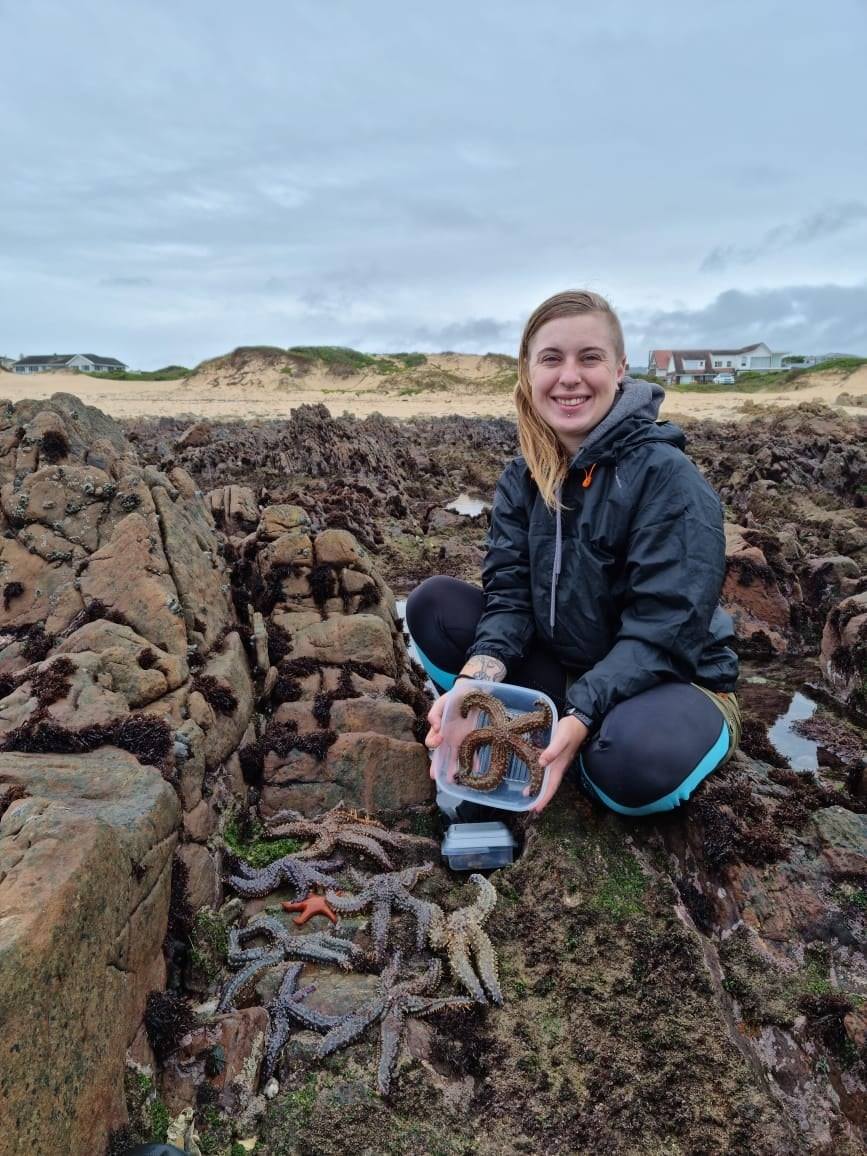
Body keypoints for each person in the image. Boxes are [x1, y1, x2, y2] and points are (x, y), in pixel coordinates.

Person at [406, 290, 741, 817]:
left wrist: (583, 713)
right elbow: (510, 601)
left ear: (620, 368)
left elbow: (665, 630)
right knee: (432, 607)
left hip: (672, 677)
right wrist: (475, 684)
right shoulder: (524, 476)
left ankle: (579, 746)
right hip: (567, 667)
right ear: (528, 371)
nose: (569, 377)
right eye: (551, 358)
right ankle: (551, 728)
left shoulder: (667, 477)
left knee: (631, 767)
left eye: (589, 357)